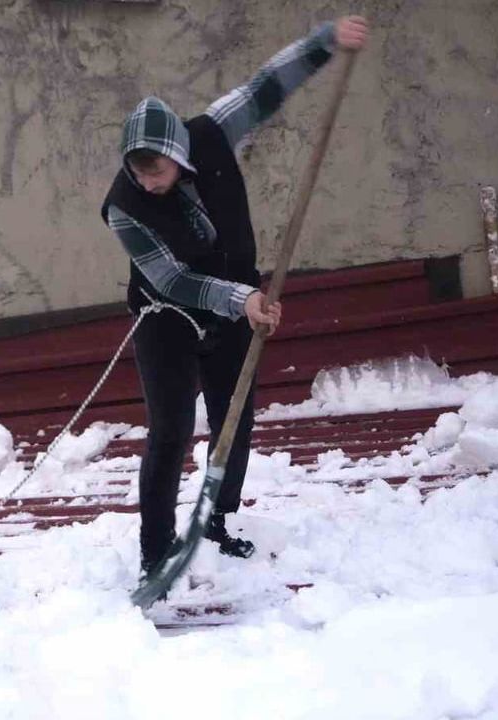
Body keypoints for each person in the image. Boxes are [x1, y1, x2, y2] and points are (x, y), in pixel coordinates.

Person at [101, 16, 369, 575]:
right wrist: (240, 298)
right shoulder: (125, 207)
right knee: (171, 430)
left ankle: (217, 520)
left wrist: (324, 42)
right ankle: (156, 551)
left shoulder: (211, 134)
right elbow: (173, 280)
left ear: (178, 151)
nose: (149, 183)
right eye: (139, 174)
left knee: (234, 419)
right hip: (166, 317)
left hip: (234, 308)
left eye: (157, 172)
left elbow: (264, 88)